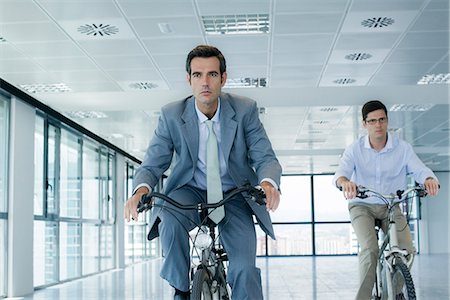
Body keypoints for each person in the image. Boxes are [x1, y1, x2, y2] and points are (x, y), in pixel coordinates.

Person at [124, 45, 282, 300]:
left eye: (212, 74)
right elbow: (153, 163)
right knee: (169, 220)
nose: (205, 82)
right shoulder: (171, 115)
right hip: (190, 191)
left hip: (235, 194)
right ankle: (182, 290)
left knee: (244, 270)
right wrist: (141, 190)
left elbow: (264, 155)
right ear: (189, 79)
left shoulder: (244, 110)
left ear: (223, 78)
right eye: (198, 75)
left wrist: (268, 183)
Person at [332, 100, 440, 300]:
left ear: (387, 121)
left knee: (407, 250)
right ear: (365, 124)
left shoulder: (402, 148)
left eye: (382, 119)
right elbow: (341, 173)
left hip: (391, 205)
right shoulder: (355, 149)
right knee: (370, 249)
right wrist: (345, 182)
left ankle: (396, 291)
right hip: (362, 205)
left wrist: (428, 179)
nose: (378, 125)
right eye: (372, 121)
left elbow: (419, 168)